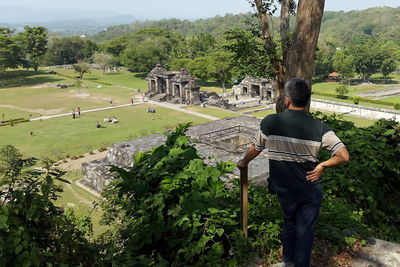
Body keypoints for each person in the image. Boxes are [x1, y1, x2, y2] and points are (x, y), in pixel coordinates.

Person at [237, 78, 349, 267]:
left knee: (289, 224)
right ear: (307, 100)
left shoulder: (271, 122)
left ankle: (288, 262)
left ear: (287, 99)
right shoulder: (318, 127)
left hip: (284, 188)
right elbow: (343, 155)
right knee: (304, 231)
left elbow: (256, 148)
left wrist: (243, 161)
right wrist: (322, 165)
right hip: (308, 189)